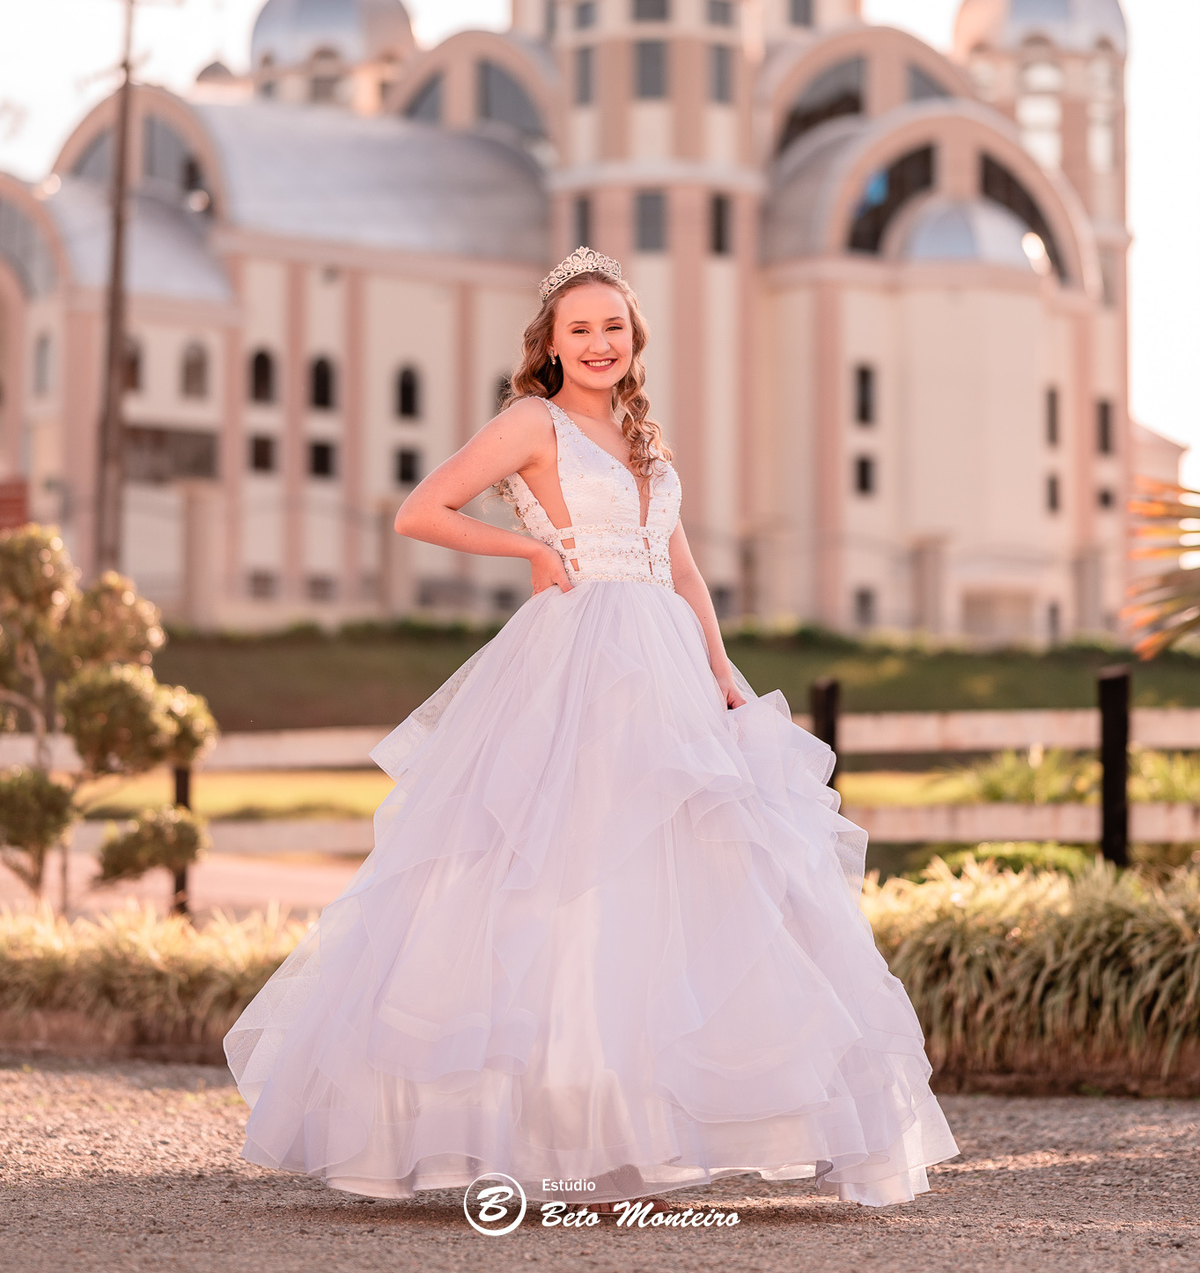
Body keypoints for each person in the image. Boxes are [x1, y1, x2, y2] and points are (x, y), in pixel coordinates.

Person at [225, 247, 957, 1206]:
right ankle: (558, 1129)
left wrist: (722, 670)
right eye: (581, 329)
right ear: (552, 344)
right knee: (567, 872)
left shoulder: (646, 440)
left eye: (614, 326)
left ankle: (644, 1131)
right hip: (579, 660)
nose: (600, 342)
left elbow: (683, 569)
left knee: (681, 877)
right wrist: (528, 546)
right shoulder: (533, 420)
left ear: (634, 338)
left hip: (668, 665)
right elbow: (421, 509)